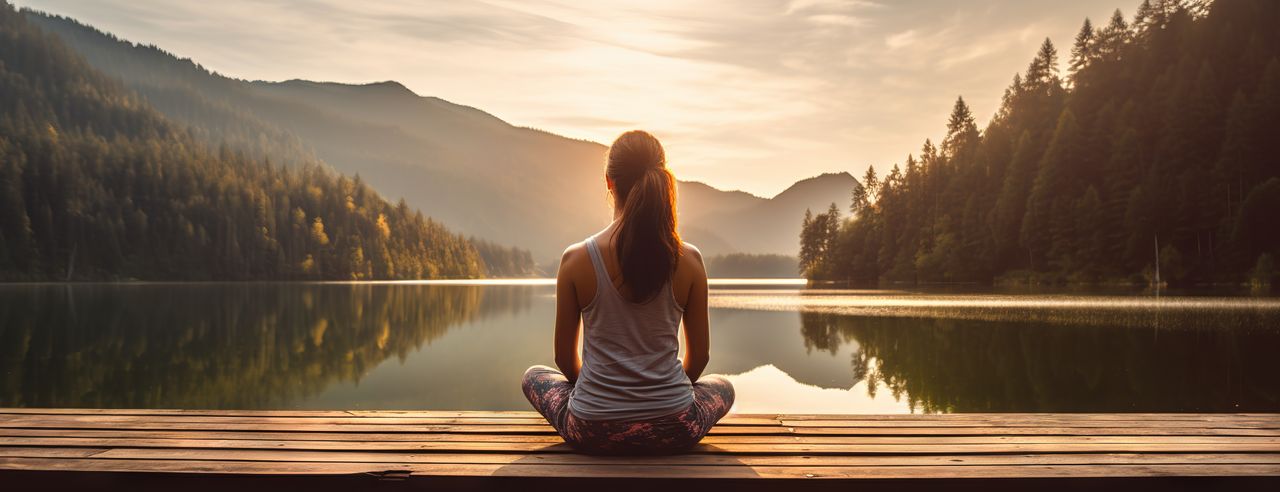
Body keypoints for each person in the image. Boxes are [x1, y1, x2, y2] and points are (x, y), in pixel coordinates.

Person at [521, 130, 734, 455]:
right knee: (723, 387)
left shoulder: (576, 259)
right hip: (676, 427)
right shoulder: (689, 260)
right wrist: (661, 397)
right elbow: (700, 358)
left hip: (593, 429)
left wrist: (604, 396)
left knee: (533, 376)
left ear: (609, 181)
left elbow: (564, 359)